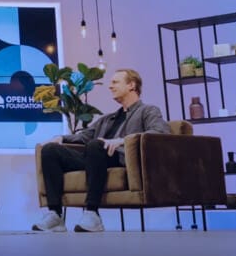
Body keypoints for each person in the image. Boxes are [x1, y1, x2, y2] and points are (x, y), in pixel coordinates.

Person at [32, 68, 171, 233]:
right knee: (50, 150)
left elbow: (161, 133)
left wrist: (123, 140)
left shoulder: (148, 110)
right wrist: (61, 138)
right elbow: (85, 135)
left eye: (115, 82)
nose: (110, 87)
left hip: (120, 157)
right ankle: (55, 215)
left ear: (131, 85)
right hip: (95, 157)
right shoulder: (108, 118)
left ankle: (92, 213)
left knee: (96, 145)